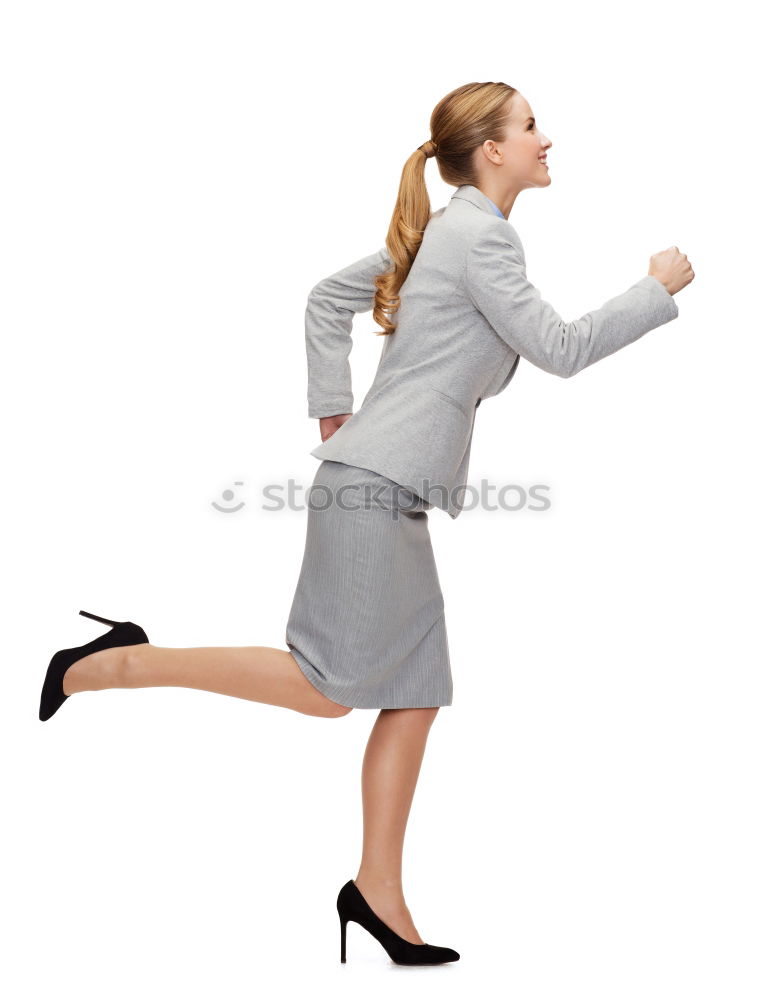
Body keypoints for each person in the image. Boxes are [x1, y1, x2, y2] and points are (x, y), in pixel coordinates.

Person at [39, 81, 694, 966]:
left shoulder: (444, 234)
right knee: (325, 689)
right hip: (374, 487)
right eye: (531, 126)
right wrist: (652, 289)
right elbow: (562, 349)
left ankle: (376, 895)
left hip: (389, 488)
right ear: (490, 150)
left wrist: (335, 416)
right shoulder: (478, 237)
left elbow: (324, 299)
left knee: (414, 692)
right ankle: (110, 663)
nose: (547, 139)